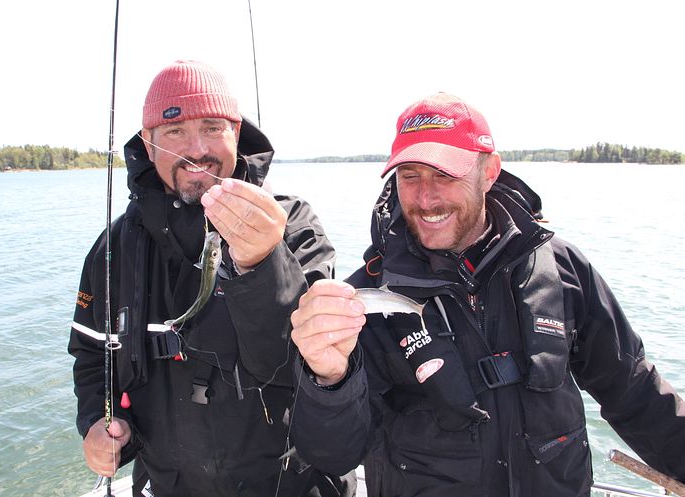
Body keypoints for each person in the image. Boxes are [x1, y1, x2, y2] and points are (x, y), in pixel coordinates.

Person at [289, 92, 685, 496]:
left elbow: (633, 389)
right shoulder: (363, 301)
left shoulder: (561, 268)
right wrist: (329, 380)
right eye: (410, 176)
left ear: (489, 171)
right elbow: (332, 456)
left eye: (444, 175)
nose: (426, 198)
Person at [69, 60, 355, 497]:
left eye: (212, 127)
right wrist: (96, 424)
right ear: (148, 145)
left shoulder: (292, 224)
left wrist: (264, 261)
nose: (196, 148)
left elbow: (315, 368)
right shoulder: (114, 248)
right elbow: (92, 359)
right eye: (174, 131)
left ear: (236, 134)